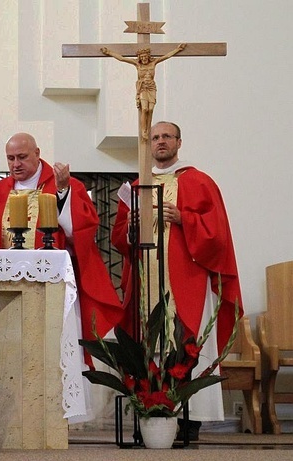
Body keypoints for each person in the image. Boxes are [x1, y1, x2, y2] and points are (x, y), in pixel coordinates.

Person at [111, 121, 243, 440]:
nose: (160, 142)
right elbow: (119, 240)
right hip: (148, 281)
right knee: (150, 342)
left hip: (189, 279)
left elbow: (218, 235)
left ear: (179, 142)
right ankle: (150, 414)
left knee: (189, 342)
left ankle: (191, 419)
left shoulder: (199, 182)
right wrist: (131, 226)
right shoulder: (135, 186)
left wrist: (185, 219)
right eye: (155, 137)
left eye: (167, 136)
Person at [0, 132, 123, 361]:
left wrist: (63, 194)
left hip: (53, 287)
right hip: (7, 287)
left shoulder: (66, 185)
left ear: (37, 154)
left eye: (22, 157)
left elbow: (80, 233)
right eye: (11, 158)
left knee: (55, 353)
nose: (16, 164)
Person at [100, 44, 186, 140]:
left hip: (151, 88)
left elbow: (166, 56)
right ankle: (143, 131)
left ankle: (148, 129)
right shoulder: (137, 64)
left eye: (145, 56)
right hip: (142, 88)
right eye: (142, 57)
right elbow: (121, 58)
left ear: (148, 56)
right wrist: (109, 52)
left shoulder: (154, 63)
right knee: (144, 109)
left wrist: (177, 49)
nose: (144, 58)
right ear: (139, 58)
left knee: (151, 109)